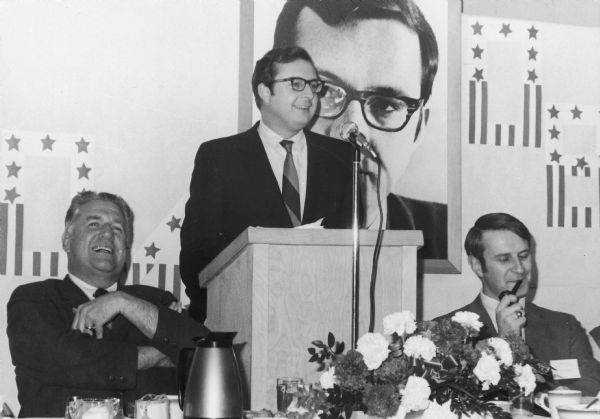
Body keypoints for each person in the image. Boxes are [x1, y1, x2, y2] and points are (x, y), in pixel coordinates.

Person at [180, 46, 353, 322]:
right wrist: (226, 312)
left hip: (325, 316)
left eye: (314, 86)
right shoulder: (221, 157)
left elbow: (349, 248)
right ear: (264, 91)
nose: (309, 95)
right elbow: (196, 254)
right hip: (243, 317)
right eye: (297, 84)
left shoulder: (342, 158)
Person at [7, 191, 210, 417]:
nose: (107, 234)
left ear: (126, 247)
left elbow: (207, 355)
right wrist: (159, 354)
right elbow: (67, 360)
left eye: (117, 229)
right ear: (66, 241)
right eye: (94, 224)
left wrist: (122, 301)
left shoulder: (156, 300)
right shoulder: (34, 299)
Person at [273, 0, 447, 260]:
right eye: (324, 91)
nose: (352, 129)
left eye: (386, 106)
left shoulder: (449, 235)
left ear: (418, 128)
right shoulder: (235, 222)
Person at [437, 212, 600, 395]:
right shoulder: (443, 333)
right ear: (477, 265)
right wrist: (506, 343)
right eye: (504, 259)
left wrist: (548, 400)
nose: (520, 269)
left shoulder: (565, 327)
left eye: (523, 256)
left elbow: (591, 387)